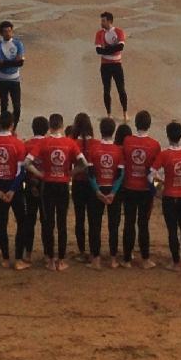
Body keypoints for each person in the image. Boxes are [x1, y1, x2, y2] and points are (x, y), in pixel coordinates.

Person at [33, 110, 82, 272]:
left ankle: (50, 259)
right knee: (62, 223)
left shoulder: (43, 142)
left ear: (49, 126)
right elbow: (83, 163)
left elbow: (27, 162)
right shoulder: (70, 143)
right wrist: (70, 173)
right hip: (62, 185)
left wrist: (40, 173)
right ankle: (61, 260)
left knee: (48, 222)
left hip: (48, 184)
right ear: (61, 125)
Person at [0, 115, 31, 270]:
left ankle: (5, 258)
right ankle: (18, 259)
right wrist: (12, 190)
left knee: (1, 221)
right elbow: (21, 171)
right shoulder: (18, 143)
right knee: (21, 221)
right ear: (12, 125)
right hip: (14, 186)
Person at [120, 110, 160, 268]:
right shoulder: (155, 145)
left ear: (135, 124)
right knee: (143, 224)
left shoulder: (127, 141)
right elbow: (155, 172)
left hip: (129, 187)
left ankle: (126, 259)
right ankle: (145, 259)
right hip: (145, 190)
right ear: (149, 125)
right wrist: (157, 191)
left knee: (129, 222)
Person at [154, 121, 181, 270]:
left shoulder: (164, 154)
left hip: (169, 196)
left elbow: (151, 173)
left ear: (167, 135)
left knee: (172, 230)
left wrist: (158, 188)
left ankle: (175, 262)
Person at [87, 120, 127, 268]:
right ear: (113, 131)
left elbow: (90, 173)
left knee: (95, 225)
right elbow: (120, 175)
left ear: (100, 130)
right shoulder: (118, 150)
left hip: (97, 190)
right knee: (114, 226)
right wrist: (113, 193)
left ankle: (96, 259)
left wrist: (97, 191)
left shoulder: (93, 149)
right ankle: (113, 259)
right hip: (112, 191)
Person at [69, 111, 99, 263]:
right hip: (93, 185)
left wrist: (70, 174)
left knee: (79, 218)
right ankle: (94, 253)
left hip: (78, 184)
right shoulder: (97, 144)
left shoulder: (72, 143)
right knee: (93, 220)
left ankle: (82, 251)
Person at [0, 20, 25, 129]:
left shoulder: (18, 44)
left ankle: (14, 127)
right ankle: (4, 128)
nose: (8, 33)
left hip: (14, 80)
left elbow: (20, 63)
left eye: (9, 31)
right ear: (1, 33)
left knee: (17, 106)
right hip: (1, 80)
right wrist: (13, 62)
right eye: (5, 31)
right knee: (4, 105)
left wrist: (4, 62)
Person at [93, 11, 127, 115]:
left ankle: (125, 112)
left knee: (121, 89)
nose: (101, 23)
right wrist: (112, 49)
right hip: (105, 66)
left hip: (117, 65)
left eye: (103, 21)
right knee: (106, 90)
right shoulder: (99, 34)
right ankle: (109, 114)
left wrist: (106, 49)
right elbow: (98, 50)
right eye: (101, 21)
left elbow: (120, 47)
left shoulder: (119, 32)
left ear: (109, 21)